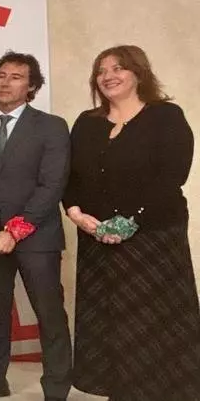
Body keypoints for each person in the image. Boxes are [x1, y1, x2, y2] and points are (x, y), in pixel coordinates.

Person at [64, 45, 200, 401]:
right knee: (109, 323)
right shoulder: (87, 122)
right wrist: (76, 214)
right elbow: (70, 177)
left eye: (118, 68)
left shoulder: (166, 116)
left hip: (152, 238)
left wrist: (130, 222)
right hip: (96, 238)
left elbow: (172, 176)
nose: (108, 76)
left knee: (150, 323)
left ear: (139, 73)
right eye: (101, 70)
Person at [0, 53, 72, 401]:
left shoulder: (51, 126)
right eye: (1, 75)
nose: (5, 82)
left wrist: (14, 231)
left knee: (49, 313)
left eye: (16, 77)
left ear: (32, 86)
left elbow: (52, 185)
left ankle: (56, 388)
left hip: (36, 234)